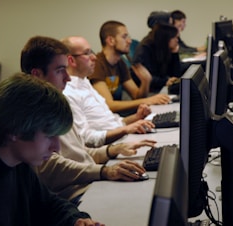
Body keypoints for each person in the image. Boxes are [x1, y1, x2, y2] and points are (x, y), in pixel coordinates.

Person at [20, 35, 156, 204]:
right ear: (37, 75)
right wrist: (104, 171)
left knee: (151, 189)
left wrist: (114, 150)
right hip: (78, 194)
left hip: (92, 182)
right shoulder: (32, 113)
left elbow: (79, 152)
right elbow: (51, 168)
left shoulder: (56, 103)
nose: (67, 78)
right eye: (59, 70)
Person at [0, 73, 104, 226]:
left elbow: (48, 204)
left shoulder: (19, 163)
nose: (56, 148)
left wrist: (75, 220)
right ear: (15, 131)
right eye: (49, 136)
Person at [61, 35, 155, 146]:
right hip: (108, 149)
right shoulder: (68, 93)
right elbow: (86, 138)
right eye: (87, 53)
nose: (94, 57)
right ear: (71, 60)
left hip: (119, 140)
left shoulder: (84, 82)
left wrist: (136, 118)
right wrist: (125, 130)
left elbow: (112, 123)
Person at [88, 20, 170, 115]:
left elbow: (136, 96)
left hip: (116, 116)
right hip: (103, 119)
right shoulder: (97, 64)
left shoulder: (120, 63)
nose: (129, 41)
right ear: (111, 40)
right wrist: (147, 100)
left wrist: (146, 81)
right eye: (124, 37)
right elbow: (109, 105)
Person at [132, 23, 181, 93]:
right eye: (175, 37)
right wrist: (165, 81)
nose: (177, 40)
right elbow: (147, 76)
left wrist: (175, 54)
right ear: (166, 38)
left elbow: (176, 76)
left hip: (158, 87)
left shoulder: (164, 49)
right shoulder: (145, 50)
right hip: (146, 90)